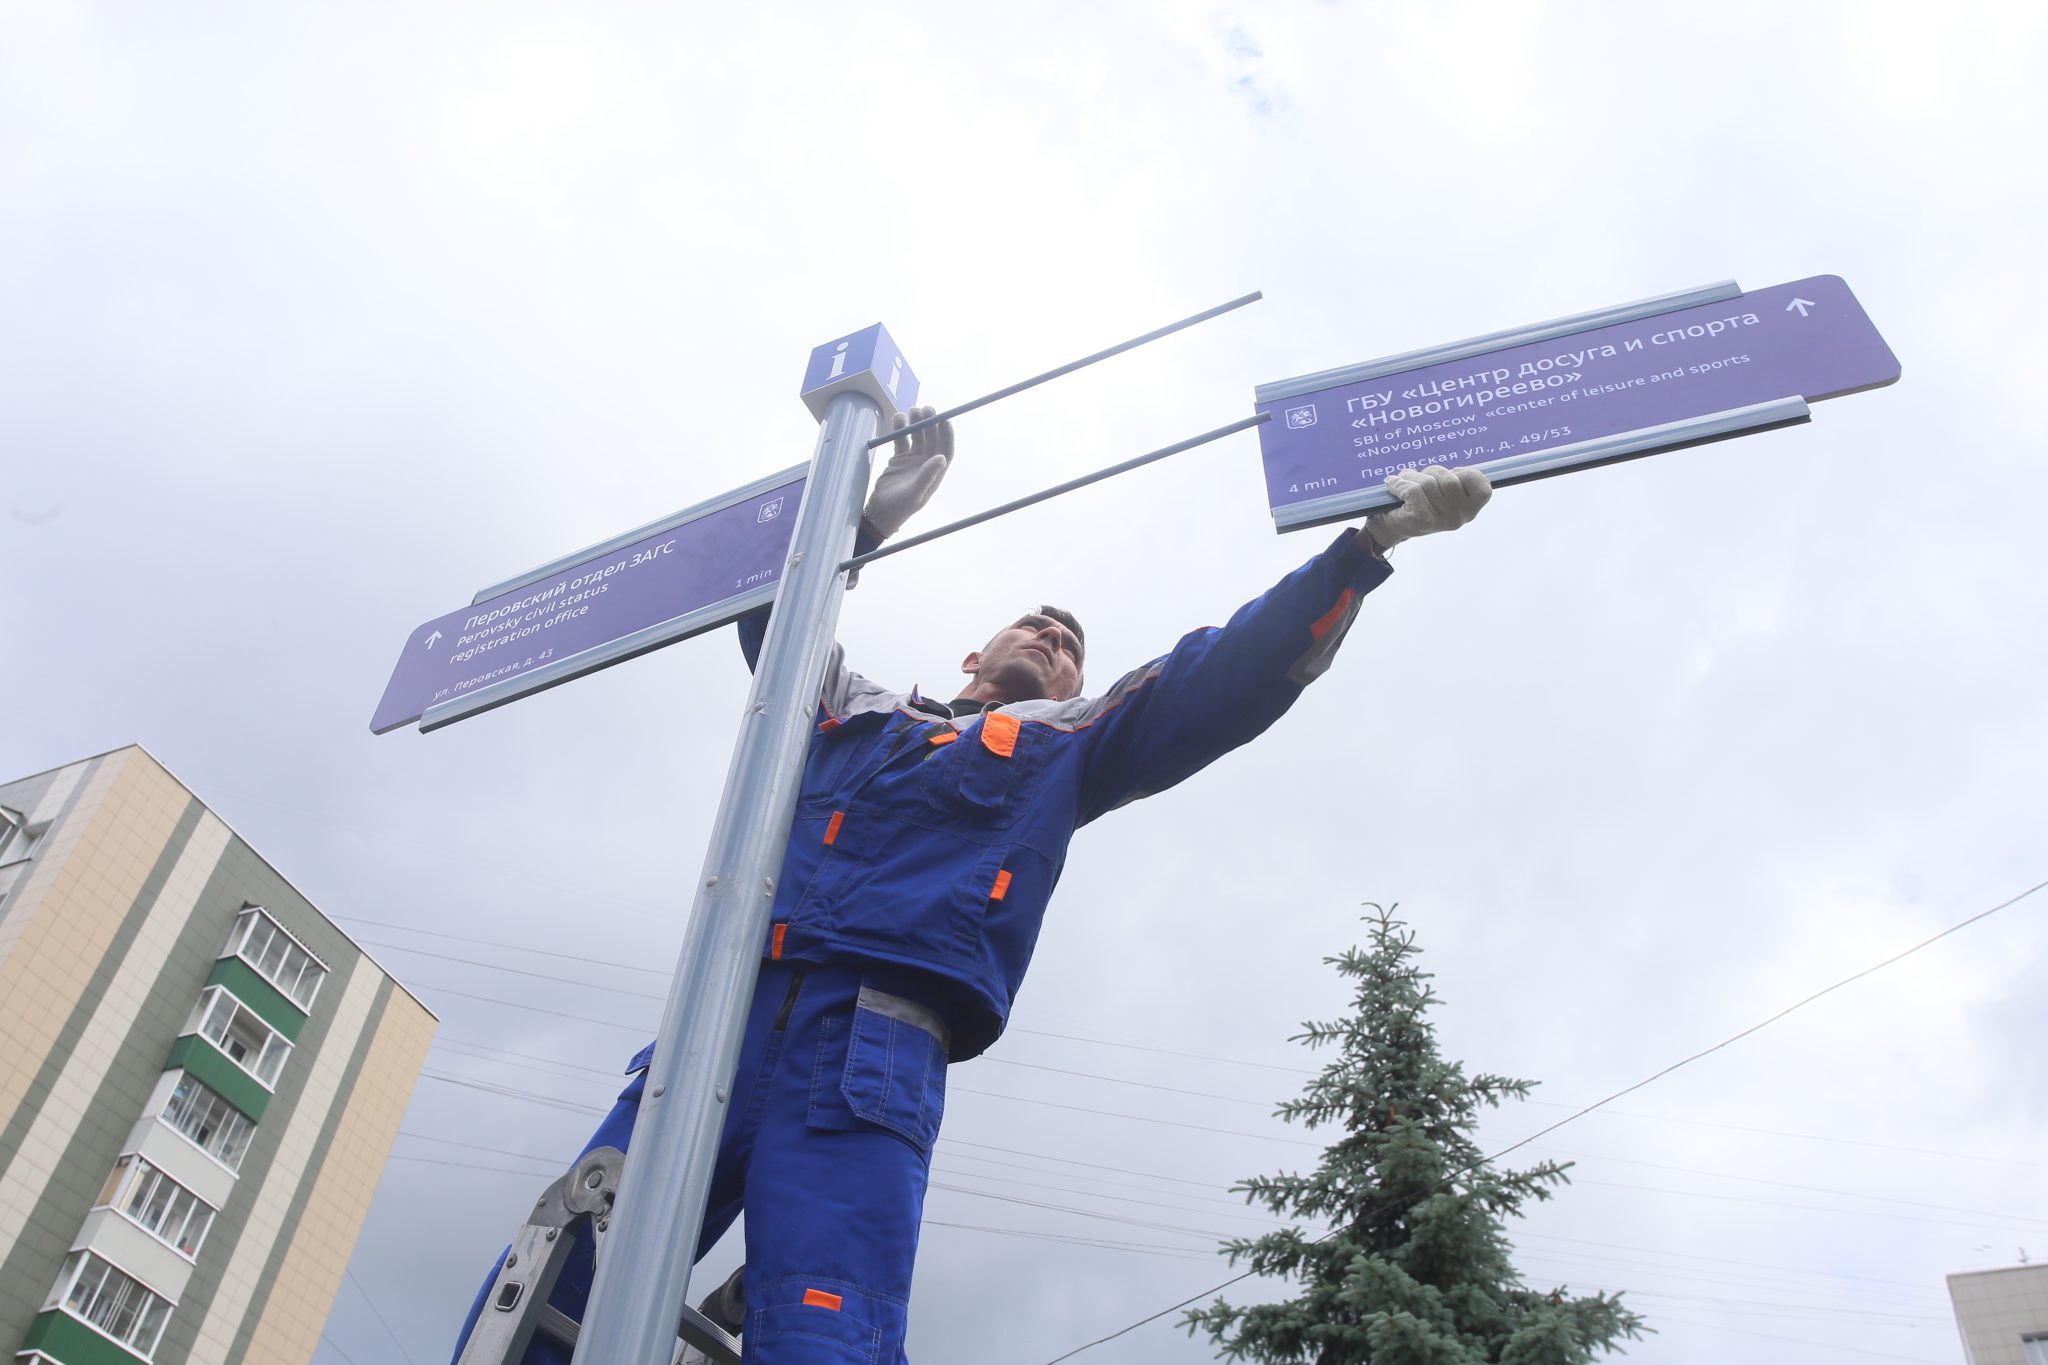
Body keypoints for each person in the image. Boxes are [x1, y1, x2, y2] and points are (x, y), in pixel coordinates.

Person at [451, 409, 1492, 1363]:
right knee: (564, 1264)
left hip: (868, 1045)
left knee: (826, 1317)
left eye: (1072, 647)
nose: (1053, 637)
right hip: (721, 1012)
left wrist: (1363, 552)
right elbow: (772, 618)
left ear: (1080, 687)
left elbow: (1218, 680)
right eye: (1035, 625)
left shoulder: (1070, 746)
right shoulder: (848, 708)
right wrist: (854, 523)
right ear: (973, 651)